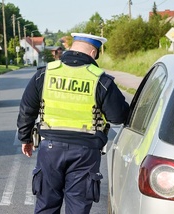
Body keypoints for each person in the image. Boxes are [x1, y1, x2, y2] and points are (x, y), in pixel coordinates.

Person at [17, 33, 130, 214]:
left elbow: (27, 109)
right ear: (93, 52)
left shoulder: (45, 74)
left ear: (72, 48)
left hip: (50, 150)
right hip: (85, 154)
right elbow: (118, 117)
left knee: (46, 205)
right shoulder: (101, 80)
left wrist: (25, 138)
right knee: (78, 208)